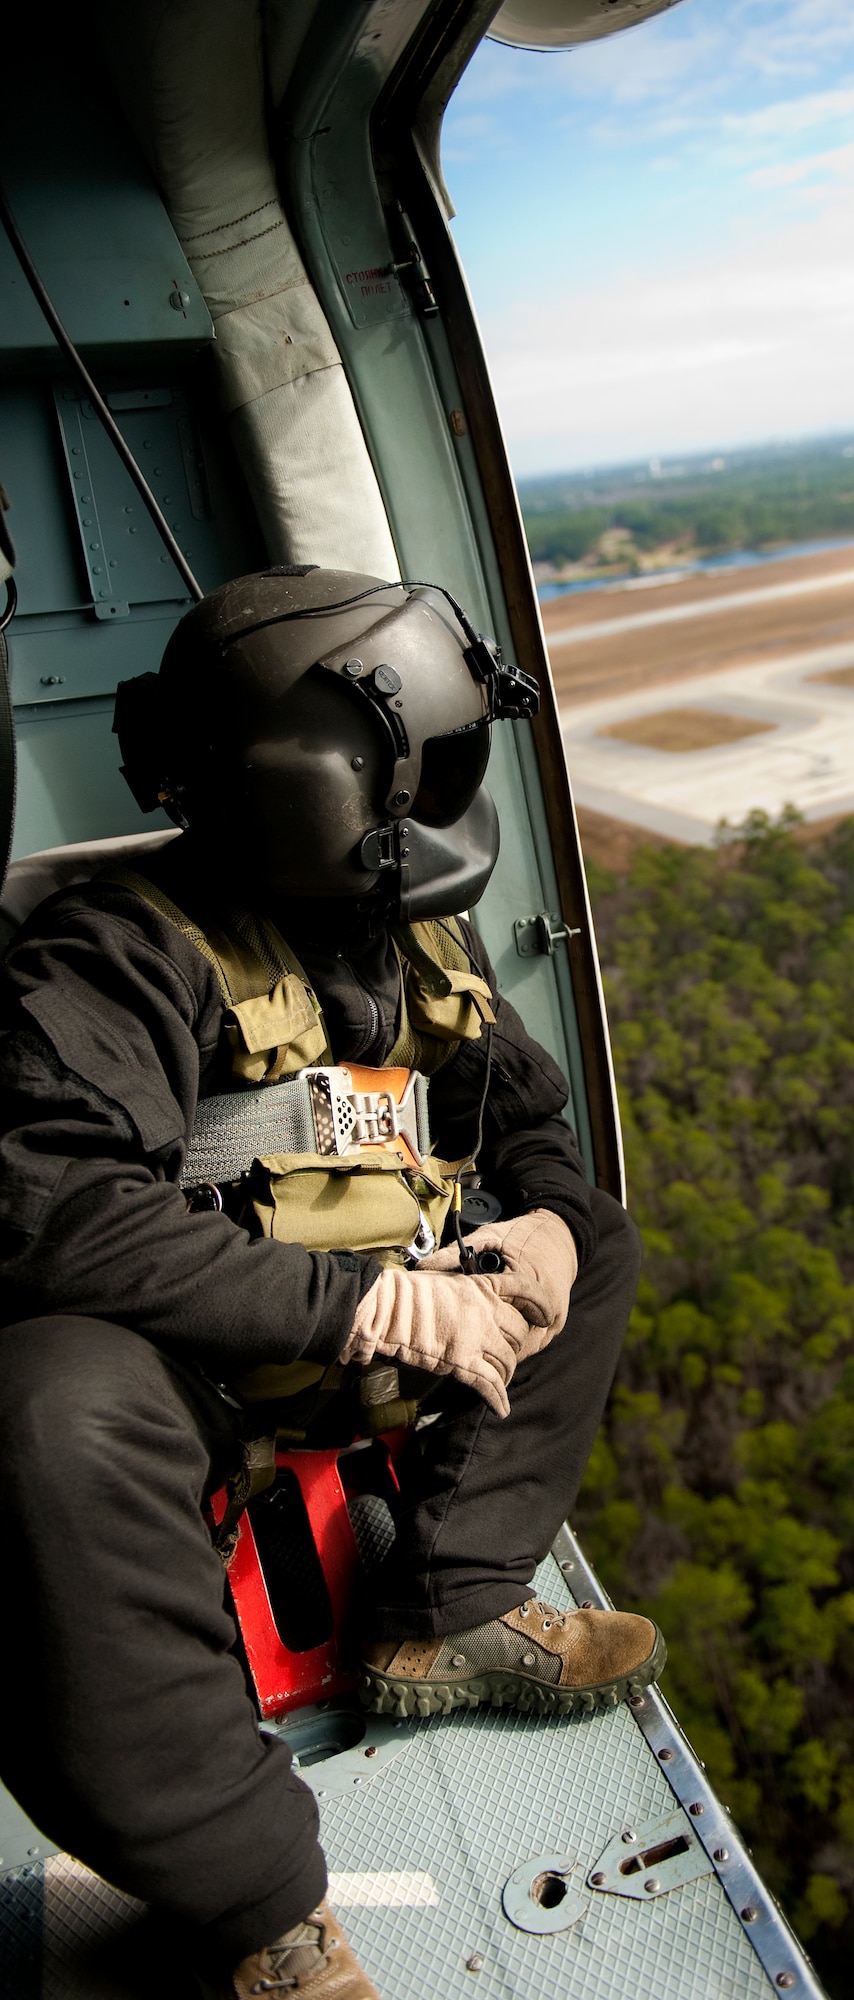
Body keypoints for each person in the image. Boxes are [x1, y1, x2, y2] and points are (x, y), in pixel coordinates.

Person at [0, 568, 661, 1999]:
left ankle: (453, 1607)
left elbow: (524, 1122)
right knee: (49, 1407)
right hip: (216, 1373)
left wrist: (539, 1225)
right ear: (313, 788)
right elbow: (44, 1203)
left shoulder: (419, 932)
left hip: (408, 1337)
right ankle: (254, 1907)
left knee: (595, 1237)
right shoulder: (116, 953)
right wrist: (358, 1305)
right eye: (410, 777)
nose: (435, 807)